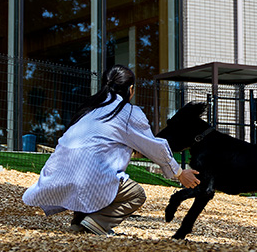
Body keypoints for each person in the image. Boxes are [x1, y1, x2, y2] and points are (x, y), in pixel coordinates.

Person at [22, 65, 199, 235]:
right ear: (131, 89)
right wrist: (179, 173)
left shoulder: (89, 109)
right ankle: (98, 222)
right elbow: (154, 146)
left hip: (57, 175)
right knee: (135, 194)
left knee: (94, 173)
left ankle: (79, 222)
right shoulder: (128, 112)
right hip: (87, 180)